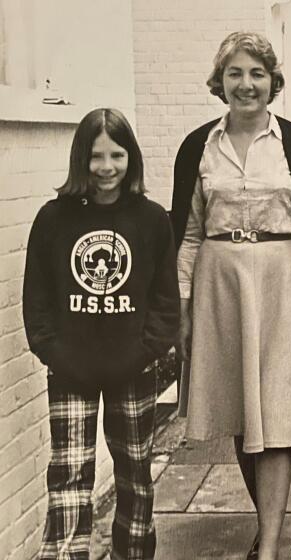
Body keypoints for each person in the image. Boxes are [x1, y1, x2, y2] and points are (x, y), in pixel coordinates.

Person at [170, 32, 291, 560]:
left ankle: (268, 545)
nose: (247, 85)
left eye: (257, 74)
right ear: (220, 82)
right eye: (236, 74)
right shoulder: (198, 145)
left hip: (282, 282)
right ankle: (268, 522)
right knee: (241, 418)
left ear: (273, 82)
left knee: (276, 417)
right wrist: (181, 308)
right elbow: (191, 232)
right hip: (220, 286)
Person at [23, 108, 180, 559]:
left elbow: (166, 302)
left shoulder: (151, 219)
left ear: (131, 158)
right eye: (95, 156)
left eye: (116, 155)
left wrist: (145, 350)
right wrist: (55, 353)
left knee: (134, 473)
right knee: (69, 474)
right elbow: (37, 301)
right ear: (80, 160)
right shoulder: (53, 219)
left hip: (132, 369)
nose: (106, 167)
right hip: (71, 371)